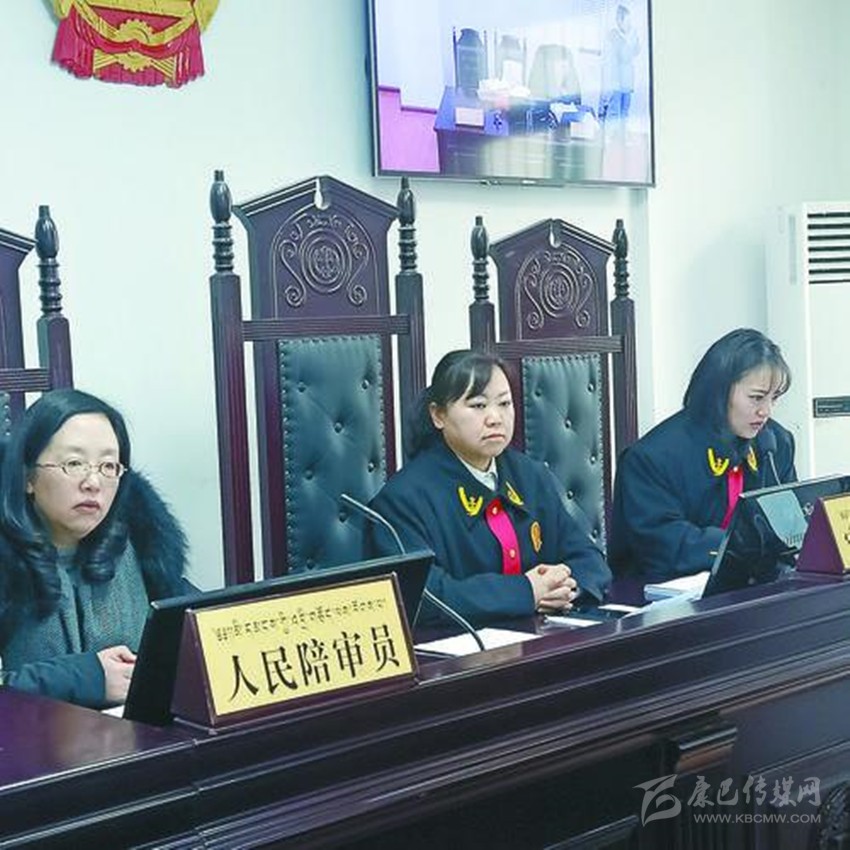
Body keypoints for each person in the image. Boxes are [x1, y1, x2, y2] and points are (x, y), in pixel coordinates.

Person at [365, 350, 611, 625]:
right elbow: (421, 597)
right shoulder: (403, 498)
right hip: (457, 646)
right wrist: (526, 592)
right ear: (438, 415)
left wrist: (564, 589)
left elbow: (589, 558)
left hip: (545, 636)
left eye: (504, 403)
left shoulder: (530, 475)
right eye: (478, 405)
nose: (495, 418)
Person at [0, 389, 190, 709]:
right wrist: (83, 679)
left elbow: (190, 624)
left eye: (108, 466)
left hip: (138, 735)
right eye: (74, 463)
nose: (93, 482)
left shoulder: (142, 544)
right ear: (27, 476)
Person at [609, 328, 796, 582]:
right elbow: (665, 544)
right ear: (719, 392)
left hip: (753, 585)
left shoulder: (775, 442)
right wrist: (743, 545)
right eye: (756, 398)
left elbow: (790, 524)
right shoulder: (652, 458)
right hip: (665, 591)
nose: (766, 411)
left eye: (774, 398)